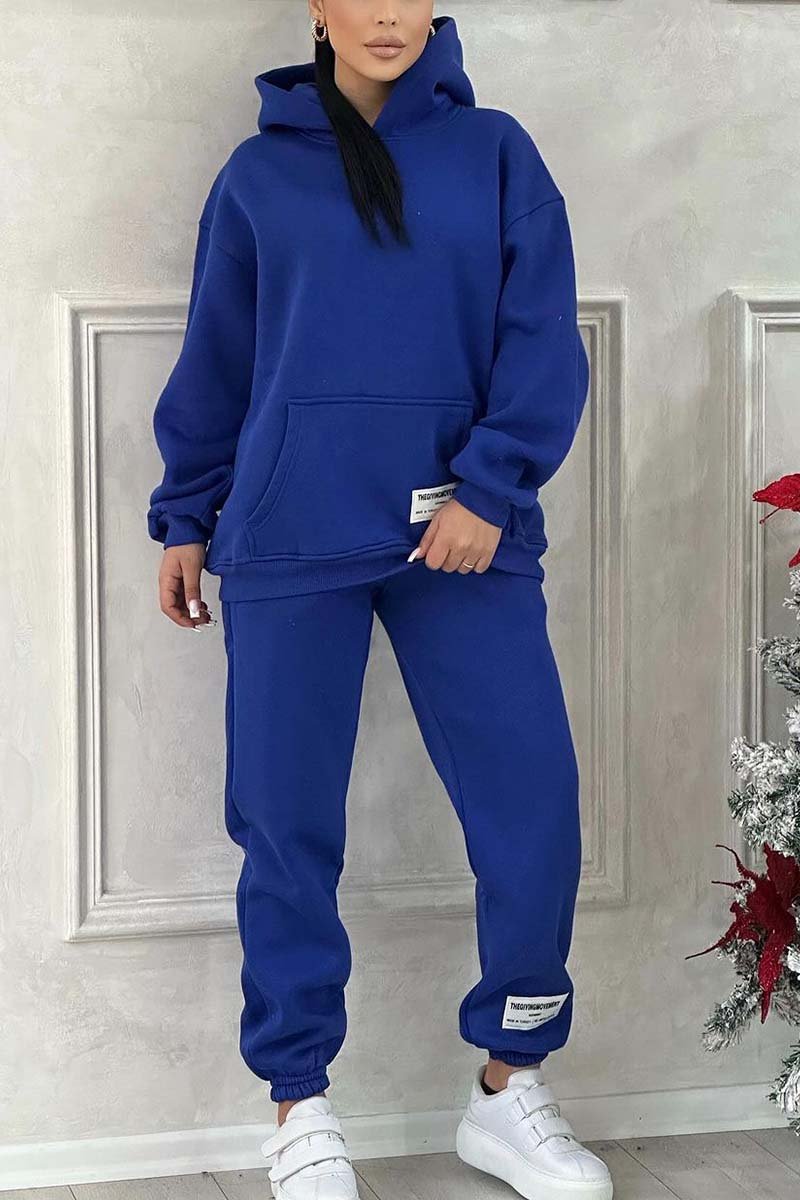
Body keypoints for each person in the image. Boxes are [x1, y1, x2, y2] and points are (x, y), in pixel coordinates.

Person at [147, 7, 611, 1200]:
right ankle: (298, 1104)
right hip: (287, 532)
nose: (390, 13)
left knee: (531, 806)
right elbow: (219, 355)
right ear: (318, 8)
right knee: (284, 824)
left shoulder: (495, 151)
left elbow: (541, 339)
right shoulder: (256, 176)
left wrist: (489, 489)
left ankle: (508, 1085)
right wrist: (186, 512)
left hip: (464, 536)